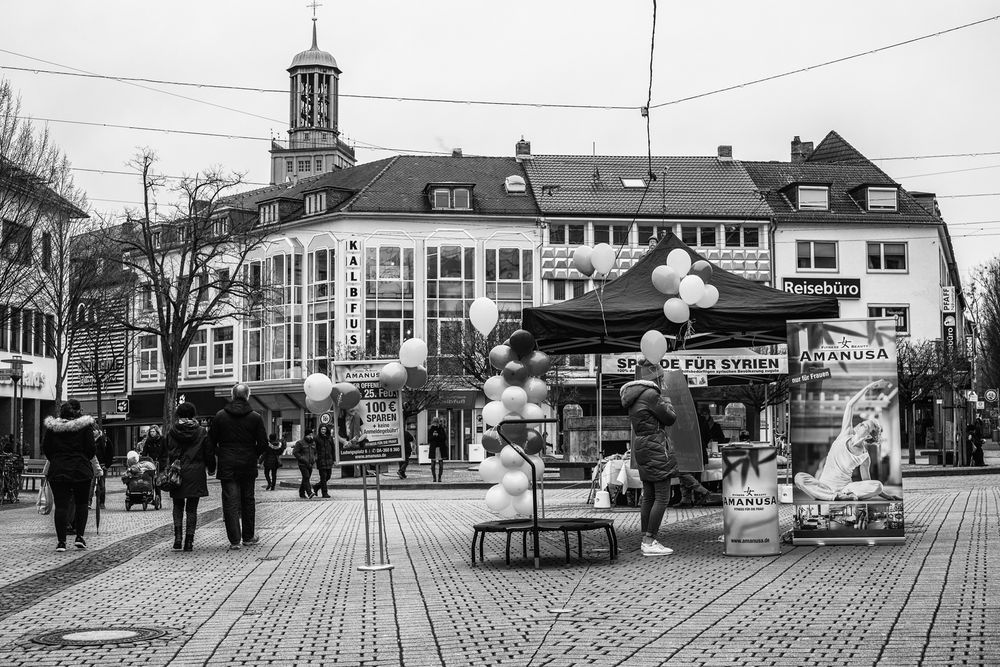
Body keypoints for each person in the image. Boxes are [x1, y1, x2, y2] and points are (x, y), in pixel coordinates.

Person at [794, 379, 900, 501]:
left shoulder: (864, 456)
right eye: (863, 422)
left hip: (845, 489)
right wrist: (867, 388)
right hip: (823, 486)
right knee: (799, 477)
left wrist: (886, 496)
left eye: (865, 426)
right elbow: (850, 405)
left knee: (878, 485)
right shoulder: (845, 433)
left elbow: (867, 482)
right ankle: (833, 496)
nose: (860, 424)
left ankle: (833, 496)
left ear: (869, 436)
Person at [619, 379, 677, 556]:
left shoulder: (632, 397)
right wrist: (668, 404)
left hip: (642, 445)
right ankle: (650, 541)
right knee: (662, 496)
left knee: (648, 495)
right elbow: (670, 418)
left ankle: (646, 538)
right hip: (656, 445)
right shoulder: (651, 395)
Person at [209, 383, 269, 550]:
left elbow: (210, 442)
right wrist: (253, 454)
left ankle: (234, 540)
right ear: (248, 396)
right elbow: (263, 444)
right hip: (248, 463)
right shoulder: (255, 417)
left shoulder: (220, 416)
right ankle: (248, 537)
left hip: (227, 463)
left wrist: (217, 457)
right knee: (248, 500)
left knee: (230, 501)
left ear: (232, 396)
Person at [42, 400, 96, 552]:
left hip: (59, 470)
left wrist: (57, 459)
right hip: (81, 469)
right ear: (78, 412)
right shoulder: (85, 427)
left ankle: (61, 542)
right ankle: (79, 537)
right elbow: (91, 449)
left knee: (61, 506)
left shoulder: (53, 428)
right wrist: (82, 458)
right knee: (81, 504)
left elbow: (46, 448)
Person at [165, 402, 214, 551]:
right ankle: (189, 541)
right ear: (193, 415)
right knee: (192, 509)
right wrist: (211, 468)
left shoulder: (172, 431)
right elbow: (208, 452)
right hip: (196, 472)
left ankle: (178, 538)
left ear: (178, 415)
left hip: (177, 473)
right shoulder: (201, 431)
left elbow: (168, 451)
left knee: (177, 506)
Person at [93, 428, 114, 510]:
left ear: (98, 431)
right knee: (91, 485)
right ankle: (88, 502)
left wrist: (107, 465)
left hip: (102, 464)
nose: (93, 432)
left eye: (94, 430)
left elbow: (110, 452)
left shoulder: (105, 439)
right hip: (91, 464)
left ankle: (101, 502)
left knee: (102, 484)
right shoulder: (90, 439)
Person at [313, 425, 335, 498]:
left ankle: (316, 486)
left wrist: (334, 459)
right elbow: (314, 449)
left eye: (324, 429)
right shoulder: (316, 438)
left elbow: (333, 449)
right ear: (320, 430)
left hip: (329, 460)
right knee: (323, 477)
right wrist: (316, 458)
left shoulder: (330, 438)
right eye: (322, 429)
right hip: (321, 460)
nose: (323, 431)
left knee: (328, 476)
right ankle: (324, 493)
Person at [293, 430, 316, 498]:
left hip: (310, 464)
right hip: (302, 464)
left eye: (311, 435)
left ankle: (301, 492)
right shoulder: (300, 443)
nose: (310, 436)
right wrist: (302, 458)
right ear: (306, 435)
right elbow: (295, 452)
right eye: (309, 435)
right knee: (306, 477)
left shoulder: (313, 443)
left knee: (305, 478)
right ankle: (309, 493)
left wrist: (314, 458)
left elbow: (316, 452)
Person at [428, 417, 447, 483]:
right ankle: (434, 477)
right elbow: (429, 439)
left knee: (440, 464)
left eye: (436, 421)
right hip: (433, 448)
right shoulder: (431, 429)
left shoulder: (441, 429)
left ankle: (439, 477)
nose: (435, 423)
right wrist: (433, 436)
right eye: (434, 421)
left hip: (440, 448)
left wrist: (437, 435)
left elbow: (444, 438)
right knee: (433, 464)